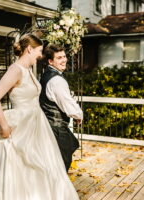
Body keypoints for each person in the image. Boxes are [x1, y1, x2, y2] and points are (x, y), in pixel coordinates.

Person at [0, 34, 79, 200]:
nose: (40, 55)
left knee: (44, 168)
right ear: (29, 49)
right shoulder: (15, 70)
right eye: (39, 51)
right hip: (22, 126)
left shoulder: (28, 70)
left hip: (37, 125)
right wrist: (4, 126)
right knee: (23, 169)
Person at [39, 44, 83, 172]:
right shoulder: (57, 80)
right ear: (50, 61)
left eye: (64, 56)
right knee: (61, 165)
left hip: (49, 127)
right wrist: (78, 115)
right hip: (56, 129)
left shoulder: (46, 75)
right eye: (59, 58)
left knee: (64, 153)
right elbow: (67, 104)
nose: (64, 60)